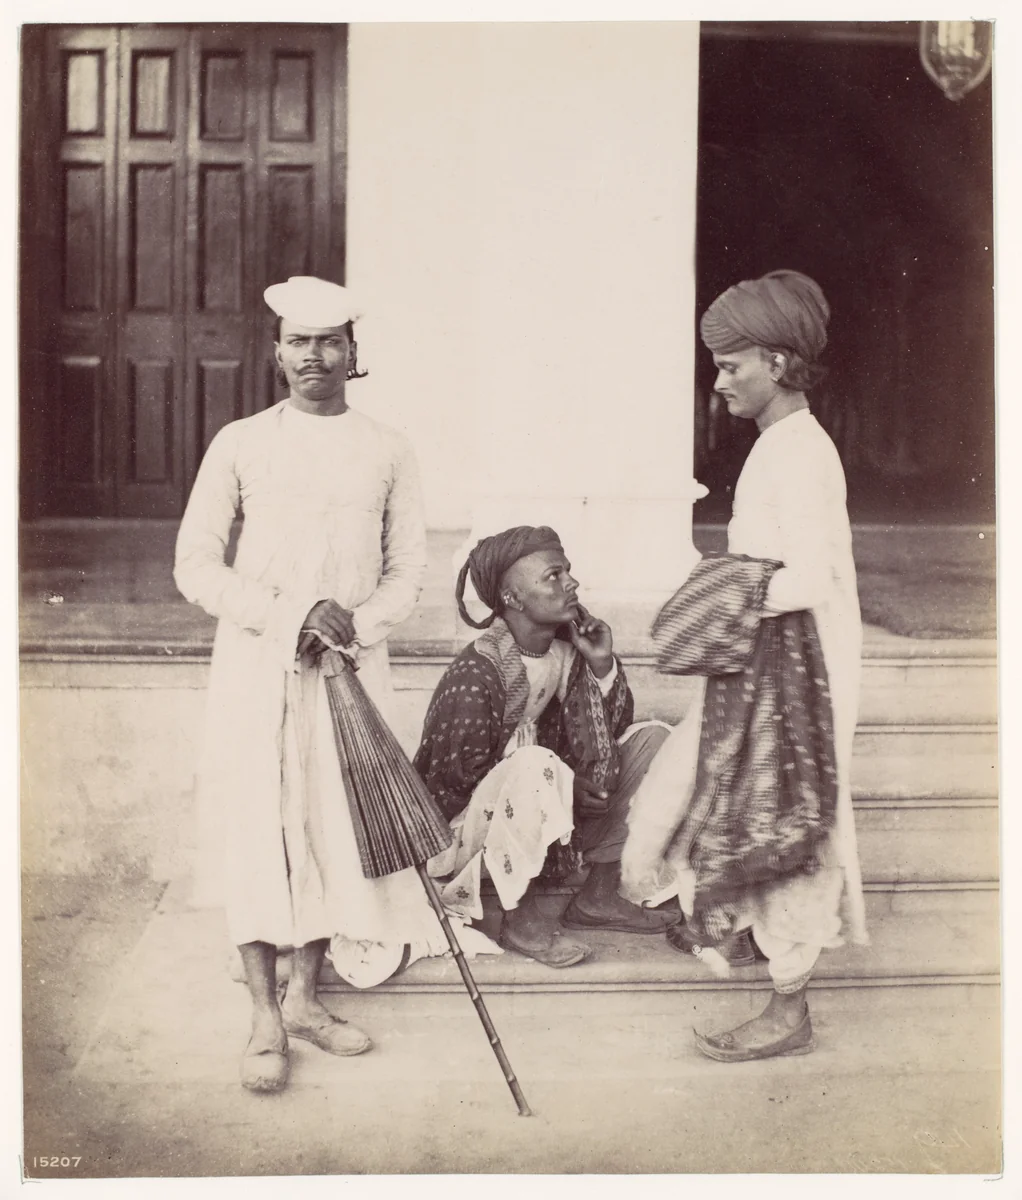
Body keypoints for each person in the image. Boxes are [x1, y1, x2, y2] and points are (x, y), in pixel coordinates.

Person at [175, 276, 447, 1093]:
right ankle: (263, 1014)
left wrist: (353, 629)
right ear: (277, 352)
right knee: (258, 830)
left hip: (349, 671)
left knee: (335, 826)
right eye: (299, 341)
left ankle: (305, 996)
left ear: (355, 354)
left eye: (331, 342)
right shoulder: (240, 443)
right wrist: (293, 614)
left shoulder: (388, 447)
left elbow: (408, 571)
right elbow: (194, 566)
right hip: (258, 670)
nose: (315, 357)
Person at [621, 269, 867, 1060]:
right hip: (762, 666)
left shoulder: (802, 453)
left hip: (799, 676)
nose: (719, 380)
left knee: (785, 824)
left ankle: (789, 1005)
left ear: (781, 364)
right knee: (689, 797)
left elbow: (810, 579)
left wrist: (719, 591)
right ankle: (734, 926)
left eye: (733, 365)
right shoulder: (779, 447)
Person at [414, 526, 678, 968]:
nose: (570, 583)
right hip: (466, 833)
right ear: (513, 599)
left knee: (657, 741)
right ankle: (520, 916)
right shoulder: (477, 672)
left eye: (567, 572)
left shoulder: (564, 654)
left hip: (549, 800)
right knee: (535, 764)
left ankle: (598, 896)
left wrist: (601, 664)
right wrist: (558, 782)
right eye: (552, 576)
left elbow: (609, 735)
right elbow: (450, 786)